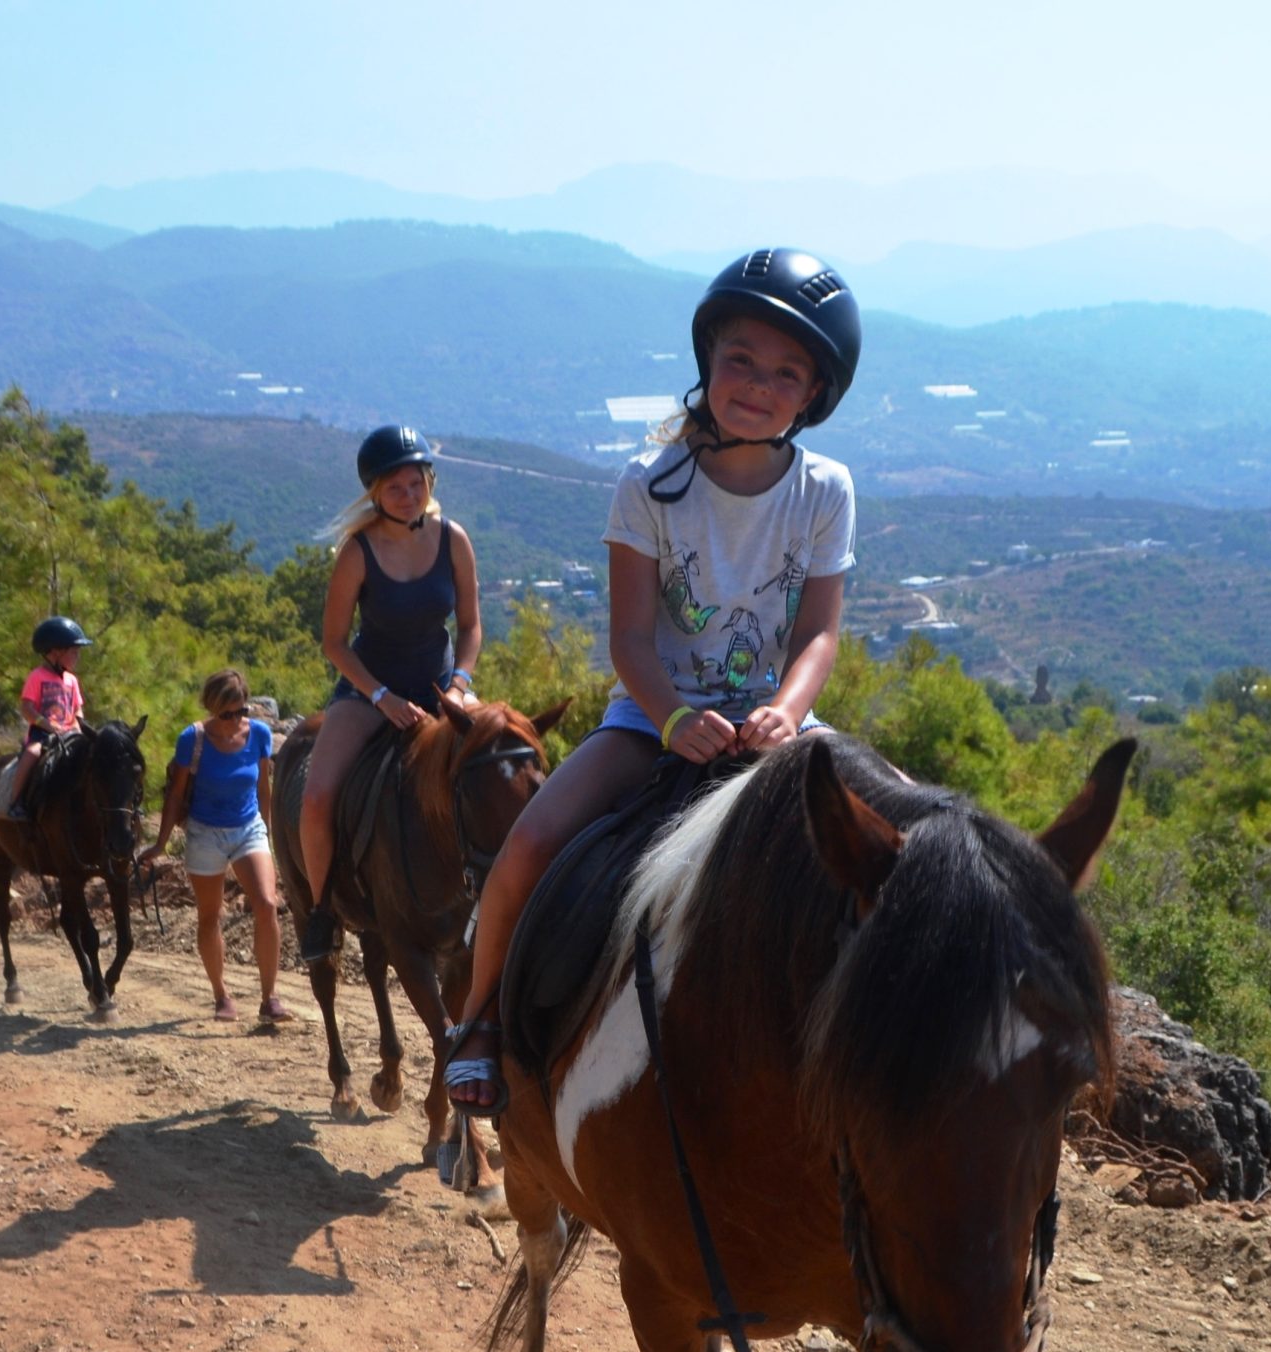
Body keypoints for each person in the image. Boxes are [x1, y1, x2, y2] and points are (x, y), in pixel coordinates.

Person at [439, 248, 863, 1111]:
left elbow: (819, 631)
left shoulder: (826, 490)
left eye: (786, 372)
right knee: (527, 847)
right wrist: (672, 721)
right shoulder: (650, 488)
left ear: (812, 397)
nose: (758, 383)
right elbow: (630, 638)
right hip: (651, 719)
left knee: (894, 847)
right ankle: (478, 1019)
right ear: (708, 359)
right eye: (741, 359)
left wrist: (786, 712)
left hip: (774, 726)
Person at [297, 423, 484, 964]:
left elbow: (470, 626)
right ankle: (322, 912)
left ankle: (497, 893)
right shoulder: (357, 552)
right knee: (316, 798)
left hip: (441, 686)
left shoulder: (454, 538)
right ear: (374, 493)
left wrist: (460, 684)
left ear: (430, 480)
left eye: (416, 482)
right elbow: (334, 642)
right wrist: (379, 697)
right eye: (395, 487)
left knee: (497, 771)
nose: (408, 495)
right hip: (369, 690)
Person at [150, 669, 292, 1023]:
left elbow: (263, 788)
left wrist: (268, 836)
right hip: (205, 832)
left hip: (248, 829)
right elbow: (176, 794)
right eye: (227, 713)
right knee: (210, 916)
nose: (235, 720)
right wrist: (160, 844)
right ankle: (220, 994)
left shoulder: (258, 734)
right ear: (213, 709)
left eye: (241, 711)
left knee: (266, 903)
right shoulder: (192, 739)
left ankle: (269, 998)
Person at [11, 616, 91, 819]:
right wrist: (46, 725)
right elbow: (27, 708)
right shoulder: (37, 676)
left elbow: (78, 710)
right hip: (42, 734)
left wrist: (77, 727)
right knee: (32, 753)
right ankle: (15, 800)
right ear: (55, 652)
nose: (77, 657)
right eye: (73, 651)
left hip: (69, 734)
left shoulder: (72, 680)